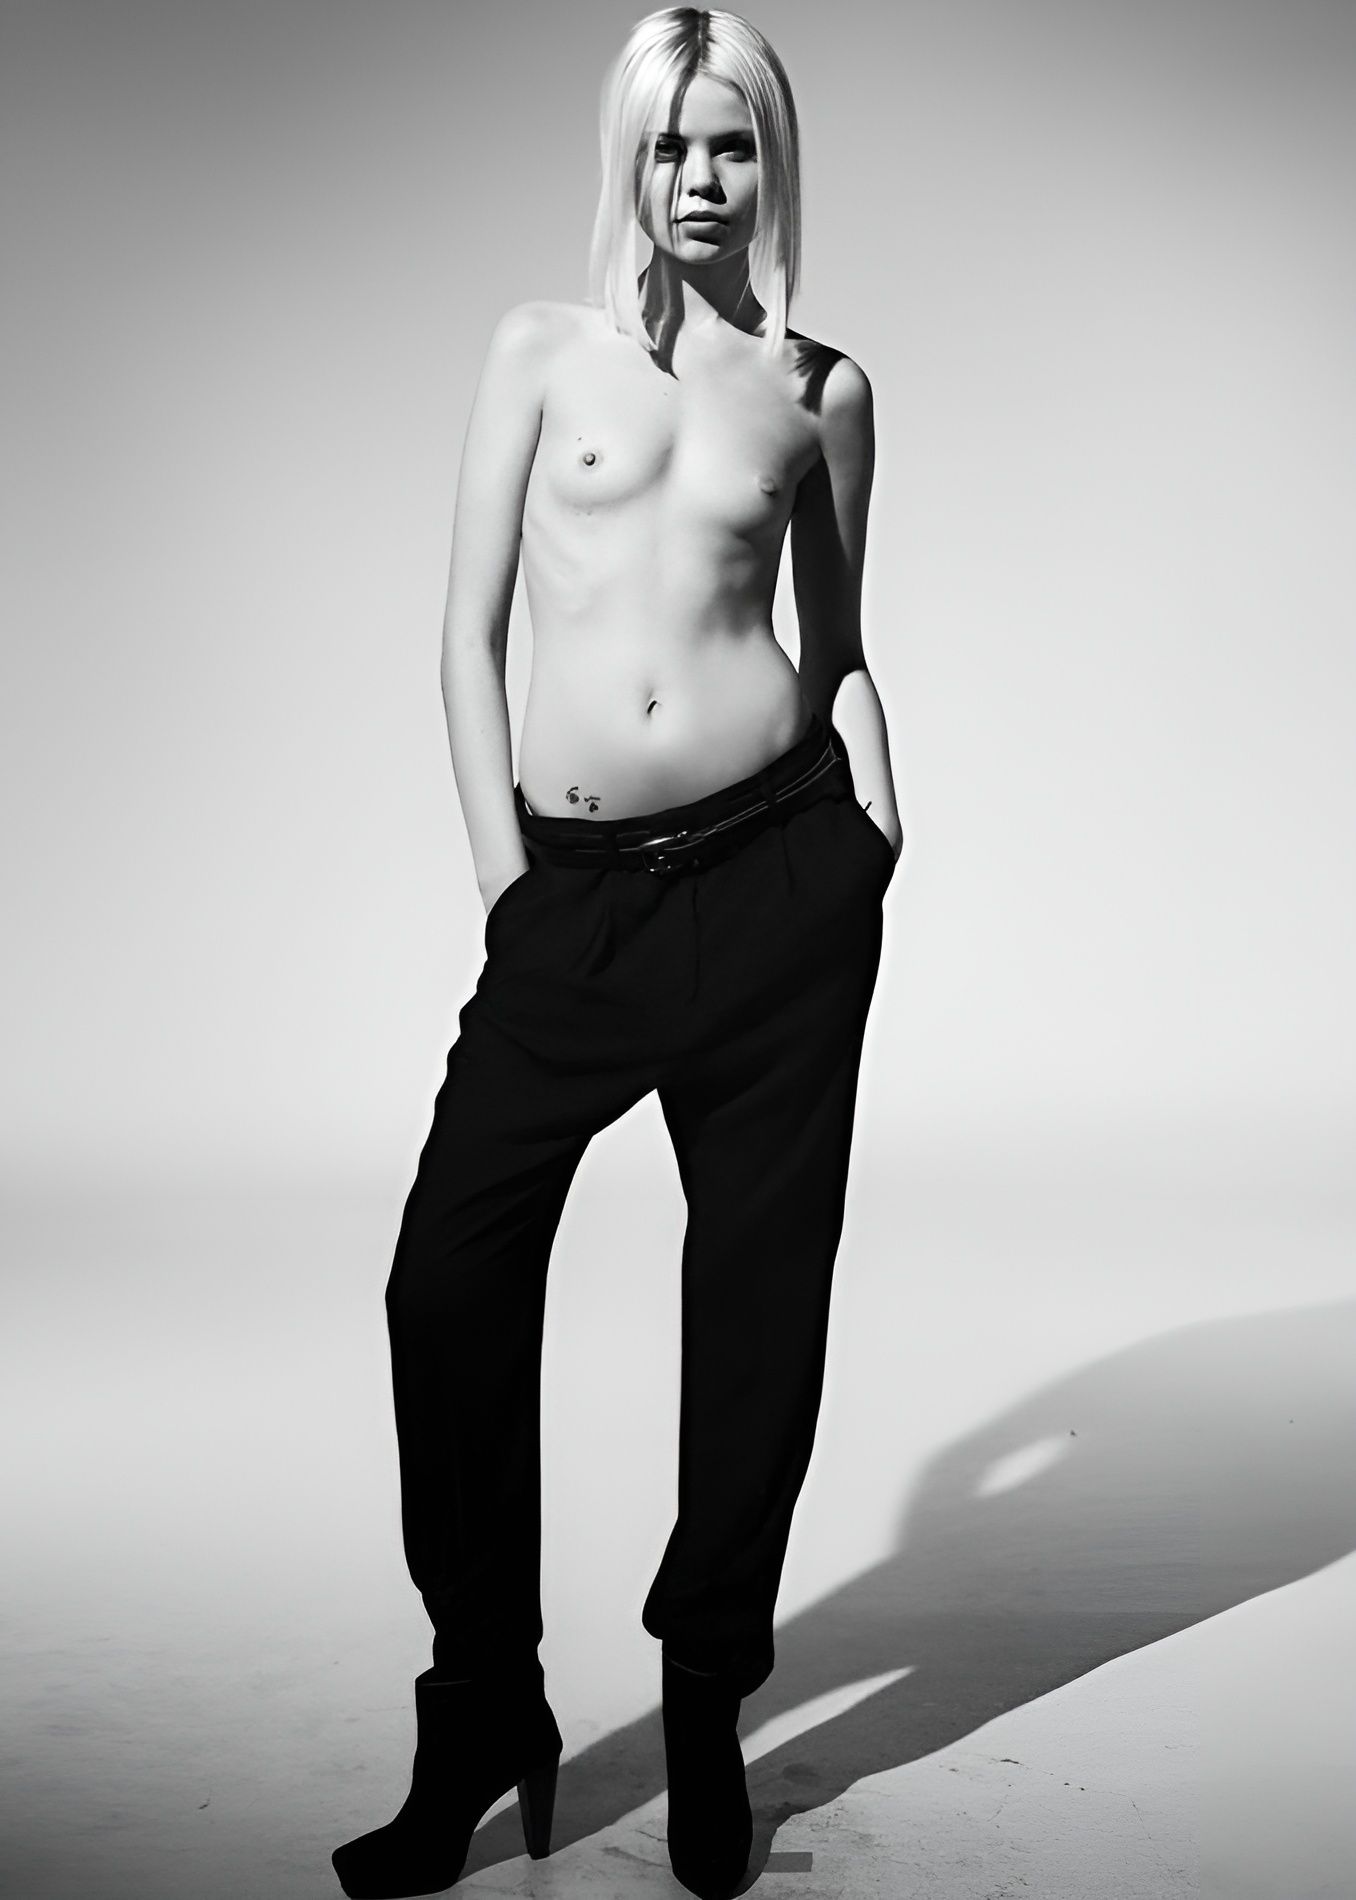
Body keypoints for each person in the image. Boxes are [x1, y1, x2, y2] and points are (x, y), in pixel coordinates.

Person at [332, 8, 907, 1897]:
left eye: (732, 144)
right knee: (445, 1279)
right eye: (670, 146)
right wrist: (512, 893)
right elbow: (466, 636)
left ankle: (706, 1692)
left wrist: (875, 832)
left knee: (759, 1312)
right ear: (627, 160)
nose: (700, 180)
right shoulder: (538, 352)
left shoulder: (822, 394)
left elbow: (837, 645)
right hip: (573, 907)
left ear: (773, 161)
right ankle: (482, 1701)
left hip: (778, 890)